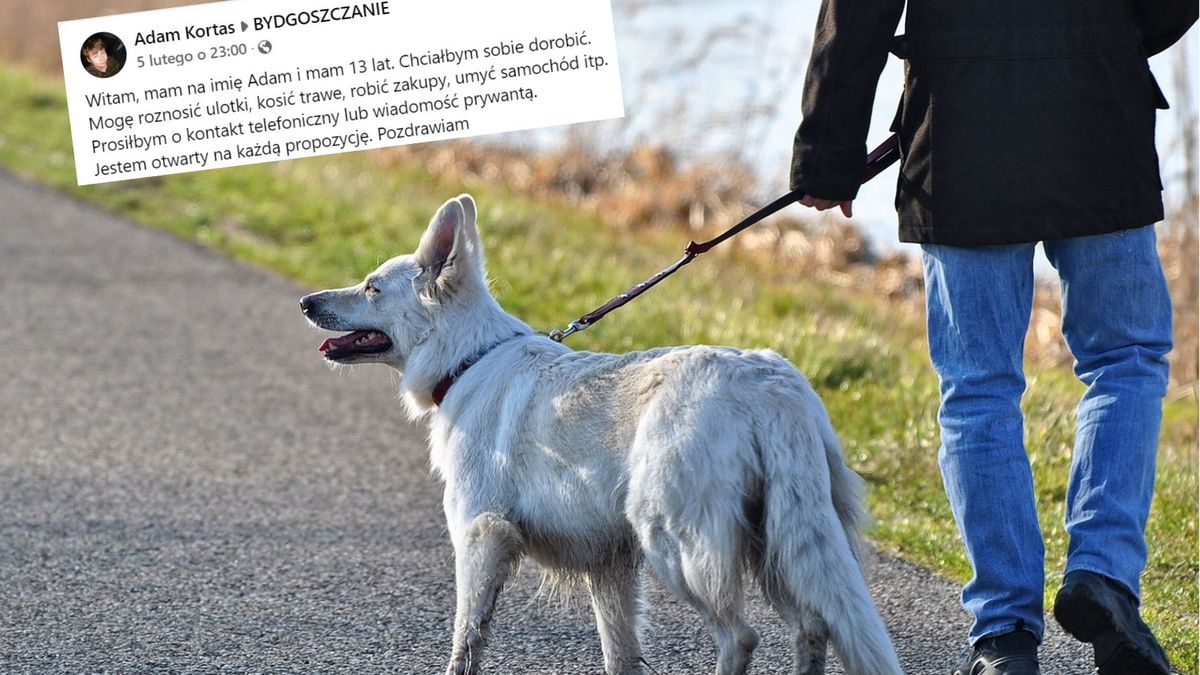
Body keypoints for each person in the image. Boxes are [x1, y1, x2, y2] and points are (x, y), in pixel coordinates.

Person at [790, 1, 1196, 674]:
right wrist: (1110, 35)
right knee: (1125, 358)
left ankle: (1004, 634)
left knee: (978, 388)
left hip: (960, 127)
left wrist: (826, 153)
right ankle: (1103, 574)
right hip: (1097, 104)